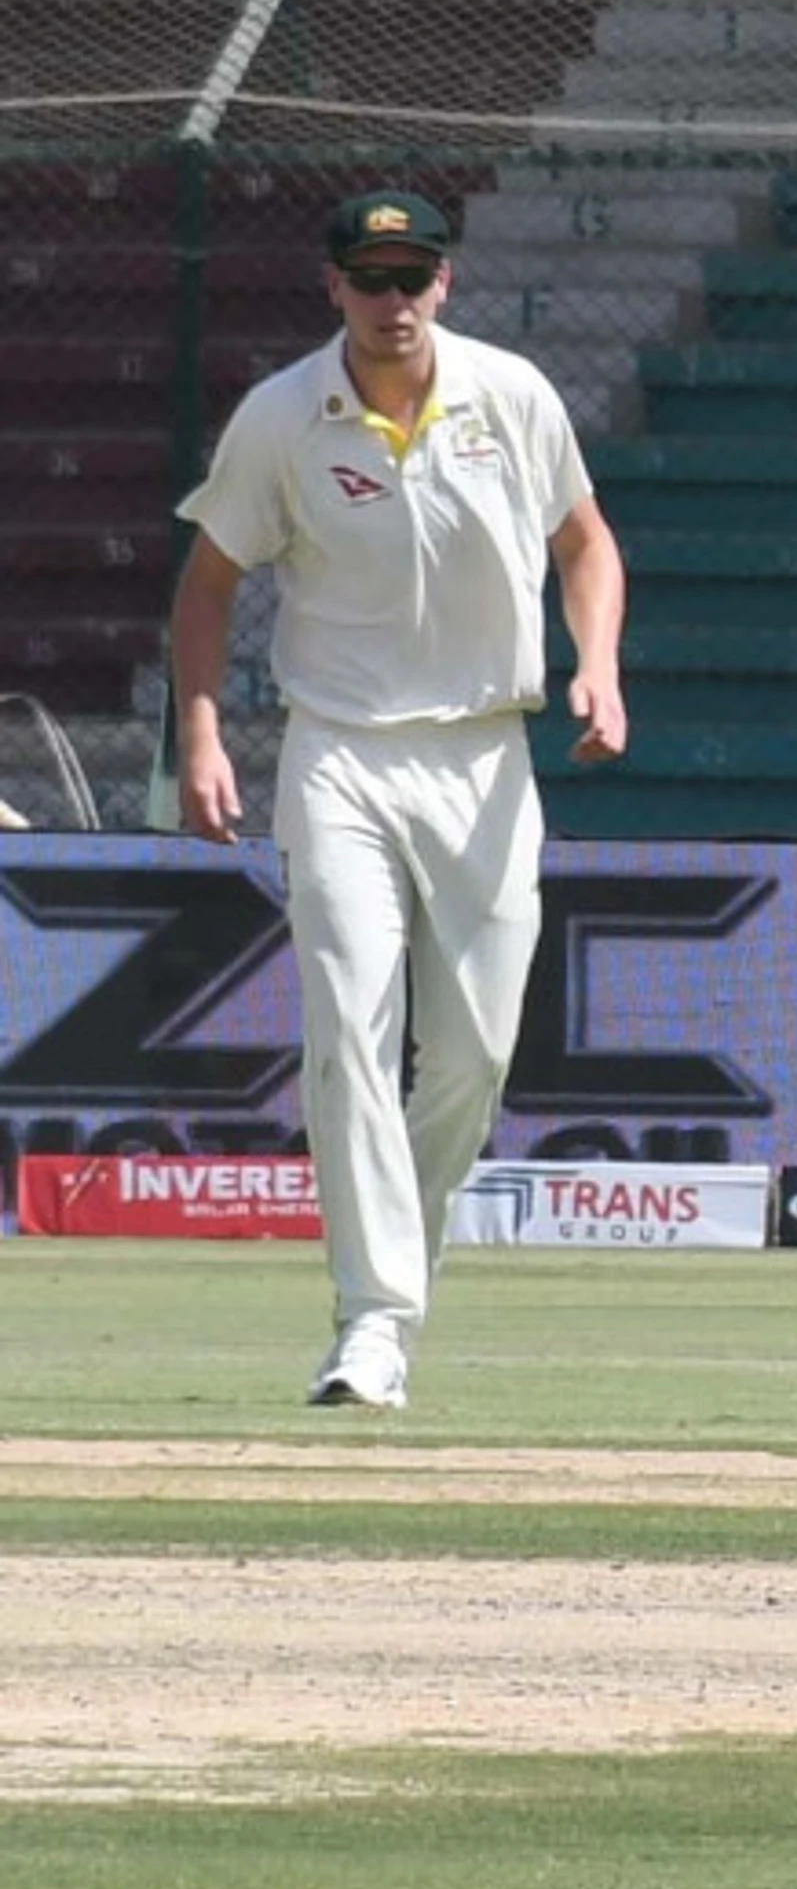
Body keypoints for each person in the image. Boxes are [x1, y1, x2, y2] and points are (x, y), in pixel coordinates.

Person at [166, 186, 628, 1408]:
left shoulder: (511, 395)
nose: (393, 301)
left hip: (485, 753)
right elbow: (208, 584)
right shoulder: (283, 415)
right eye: (370, 279)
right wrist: (203, 737)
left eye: (413, 276)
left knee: (472, 1049)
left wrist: (600, 667)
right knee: (351, 1029)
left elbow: (586, 545)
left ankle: (393, 1274)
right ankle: (374, 1321)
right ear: (334, 289)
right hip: (340, 754)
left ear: (445, 284)